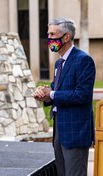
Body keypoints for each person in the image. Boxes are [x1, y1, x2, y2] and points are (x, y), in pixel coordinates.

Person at [32, 17, 95, 176]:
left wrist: (52, 93)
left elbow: (82, 95)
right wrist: (45, 96)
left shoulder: (83, 60)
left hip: (75, 132)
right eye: (48, 34)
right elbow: (56, 91)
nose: (50, 38)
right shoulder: (59, 63)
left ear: (66, 37)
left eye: (53, 34)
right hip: (60, 131)